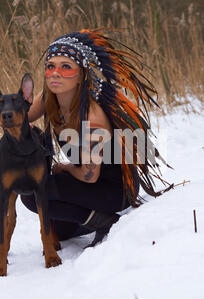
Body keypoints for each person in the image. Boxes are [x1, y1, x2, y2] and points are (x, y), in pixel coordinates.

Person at [20, 29, 172, 247]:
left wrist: (65, 168)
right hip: (86, 181)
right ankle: (90, 218)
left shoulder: (92, 118)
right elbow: (18, 119)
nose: (55, 73)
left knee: (31, 193)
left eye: (65, 67)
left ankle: (105, 221)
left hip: (113, 190)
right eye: (50, 66)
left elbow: (89, 175)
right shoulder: (48, 97)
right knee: (60, 231)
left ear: (81, 74)